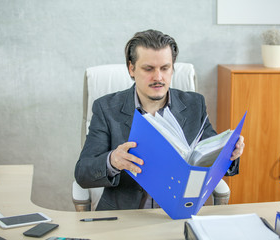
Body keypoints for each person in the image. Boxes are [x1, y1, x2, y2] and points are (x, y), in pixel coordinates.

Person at [74, 29, 245, 210]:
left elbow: (210, 154)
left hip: (180, 213)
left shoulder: (195, 104)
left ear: (172, 69)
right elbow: (83, 172)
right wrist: (112, 161)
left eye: (165, 68)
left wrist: (229, 154)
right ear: (131, 69)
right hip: (126, 216)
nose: (158, 77)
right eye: (148, 69)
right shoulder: (106, 108)